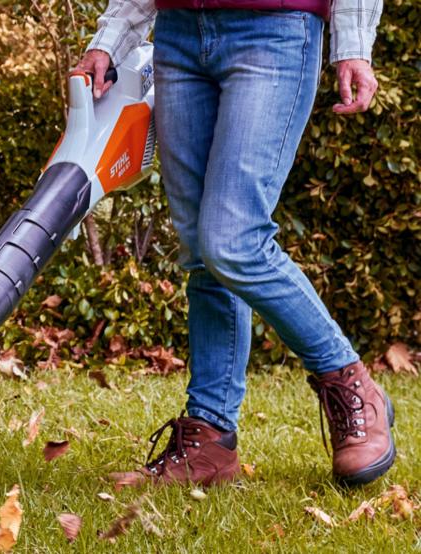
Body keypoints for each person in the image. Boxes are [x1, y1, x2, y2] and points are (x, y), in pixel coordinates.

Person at [74, 1, 392, 486]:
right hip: (179, 35)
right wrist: (110, 40)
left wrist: (353, 45)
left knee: (234, 241)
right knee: (201, 253)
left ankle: (351, 383)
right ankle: (210, 438)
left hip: (275, 30)